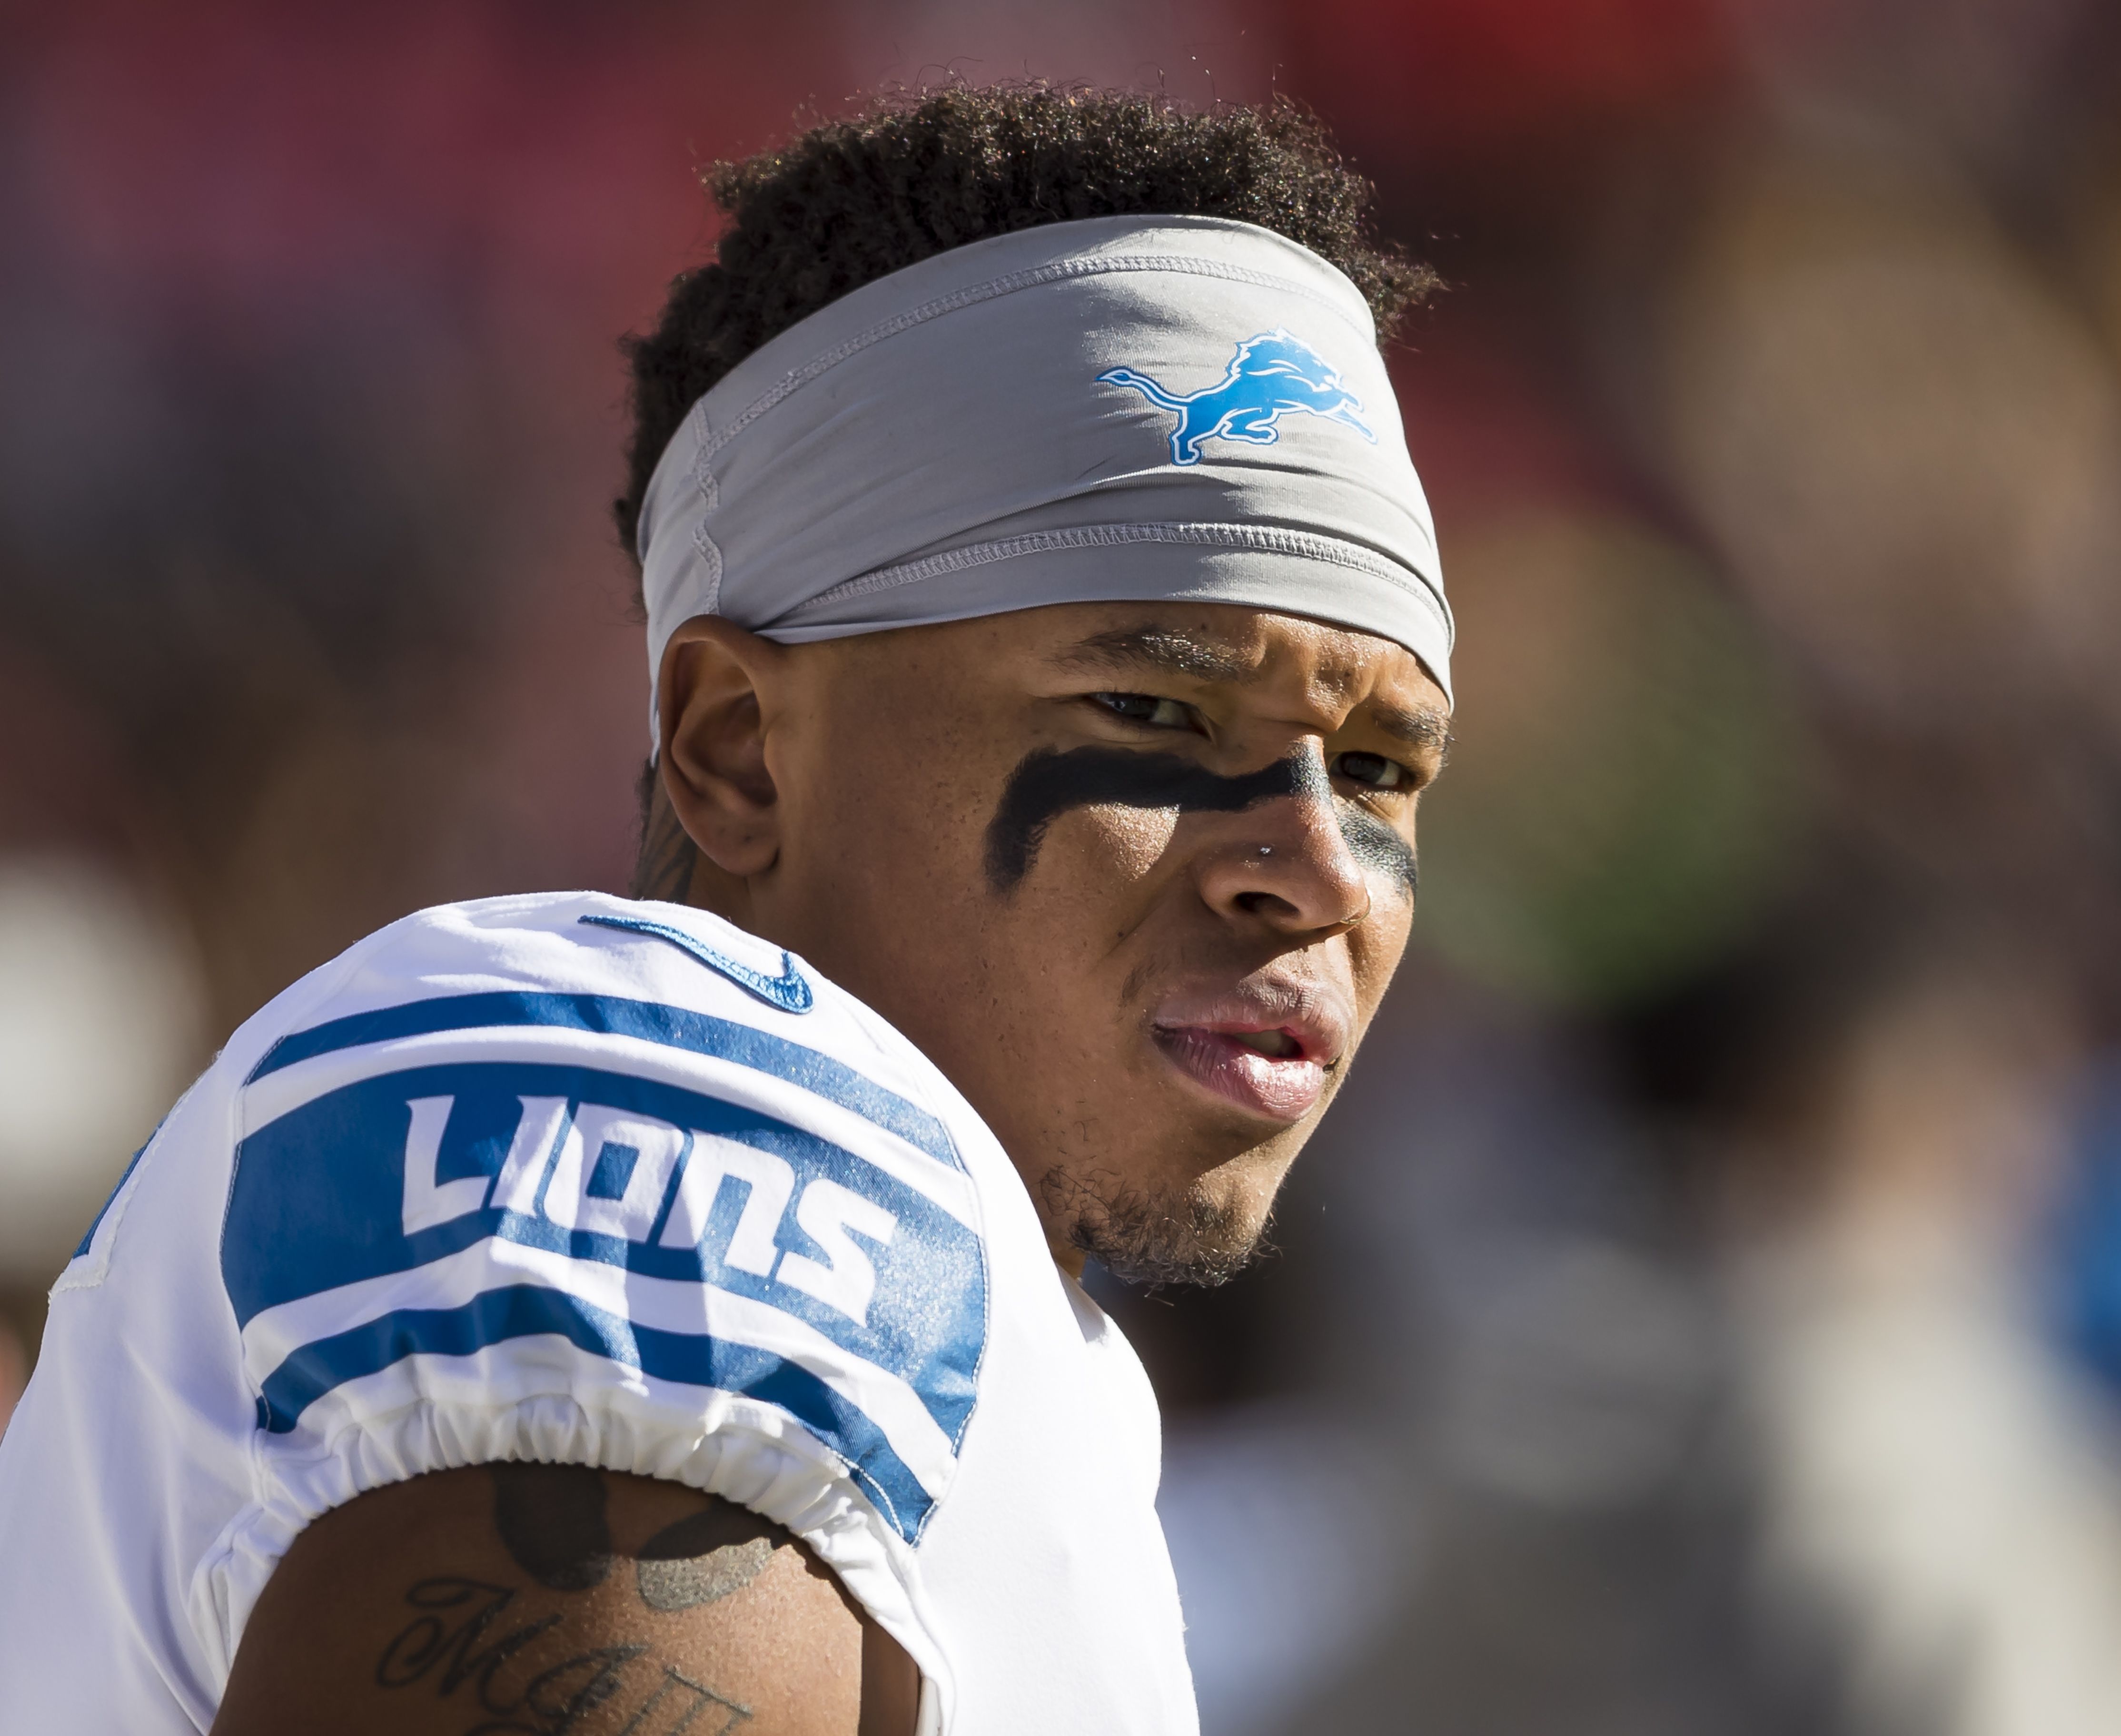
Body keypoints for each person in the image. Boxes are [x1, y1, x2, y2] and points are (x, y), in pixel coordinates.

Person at [0, 85, 1449, 1735]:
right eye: (1156, 713)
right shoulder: (677, 1128)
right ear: (737, 747)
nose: (1321, 866)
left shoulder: (981, 1317)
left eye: (1383, 768)